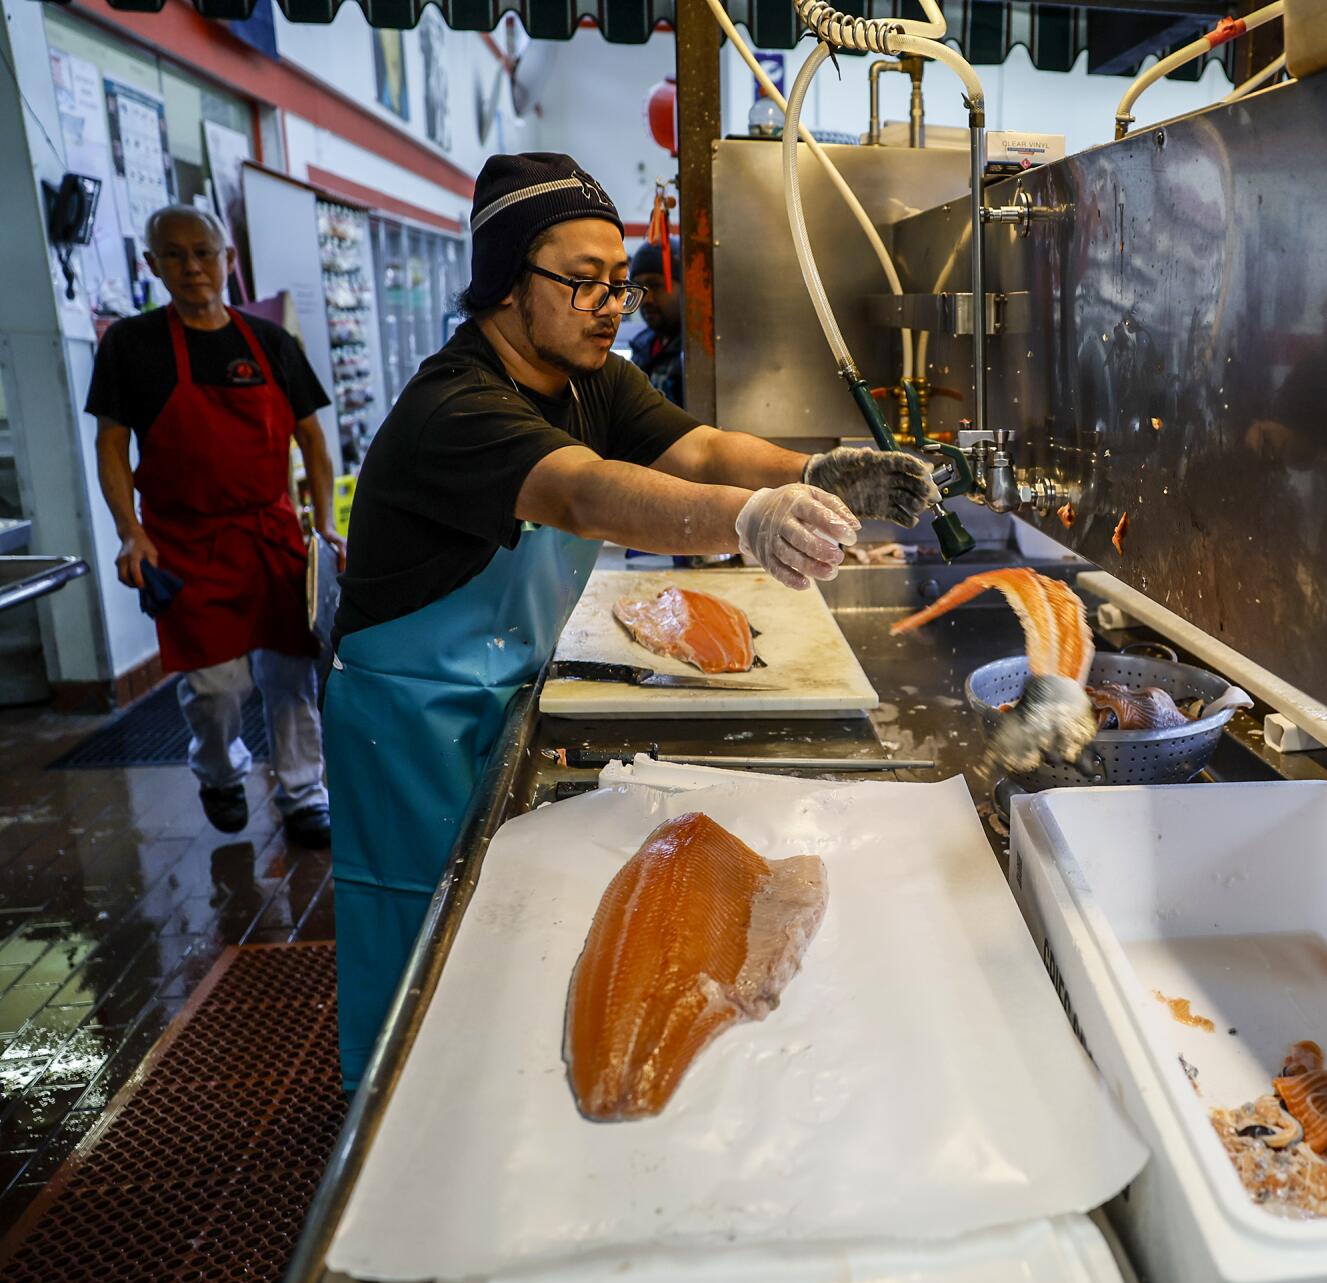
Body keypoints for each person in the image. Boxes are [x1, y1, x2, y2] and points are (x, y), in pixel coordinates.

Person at [326, 153, 940, 1088]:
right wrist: (743, 521)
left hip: (500, 687)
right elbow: (582, 492)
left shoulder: (588, 380)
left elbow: (696, 445)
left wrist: (806, 474)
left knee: (490, 930)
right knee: (419, 929)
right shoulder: (455, 404)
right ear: (502, 282)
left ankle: (487, 1087)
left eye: (617, 282)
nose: (610, 304)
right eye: (581, 283)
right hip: (409, 717)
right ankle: (386, 1124)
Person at [88, 205, 342, 849]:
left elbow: (312, 439)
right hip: (182, 542)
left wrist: (326, 526)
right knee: (216, 686)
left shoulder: (272, 343)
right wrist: (129, 531)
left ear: (228, 259)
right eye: (174, 255)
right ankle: (219, 769)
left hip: (270, 533)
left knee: (290, 676)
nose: (192, 267)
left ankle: (304, 791)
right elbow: (111, 444)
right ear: (152, 266)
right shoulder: (131, 344)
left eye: (204, 252)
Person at [627, 237, 682, 403]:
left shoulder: (696, 354)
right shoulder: (641, 346)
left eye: (656, 286)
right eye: (639, 287)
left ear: (685, 287)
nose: (646, 298)